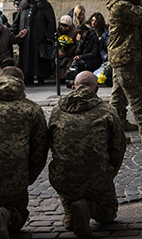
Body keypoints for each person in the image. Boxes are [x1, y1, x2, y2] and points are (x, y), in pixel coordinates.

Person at [0, 67, 49, 238]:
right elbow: (40, 150)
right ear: (22, 83)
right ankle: (4, 214)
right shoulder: (32, 109)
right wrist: (26, 178)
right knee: (16, 213)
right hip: (11, 172)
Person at [48, 71, 127, 236]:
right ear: (96, 88)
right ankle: (87, 207)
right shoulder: (108, 111)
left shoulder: (56, 111)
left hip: (63, 178)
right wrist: (109, 173)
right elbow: (118, 147)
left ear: (73, 87)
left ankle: (70, 212)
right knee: (109, 212)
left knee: (63, 170)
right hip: (97, 176)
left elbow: (50, 144)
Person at [106, 0, 142, 145]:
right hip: (124, 57)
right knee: (136, 95)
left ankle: (115, 130)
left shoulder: (124, 3)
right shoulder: (121, 6)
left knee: (118, 97)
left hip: (131, 55)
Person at [12, 0, 57, 85]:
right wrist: (14, 33)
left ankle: (41, 78)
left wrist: (49, 34)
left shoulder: (45, 6)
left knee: (40, 58)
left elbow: (51, 22)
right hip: (26, 39)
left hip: (40, 38)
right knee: (27, 58)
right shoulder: (24, 6)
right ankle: (28, 78)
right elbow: (17, 20)